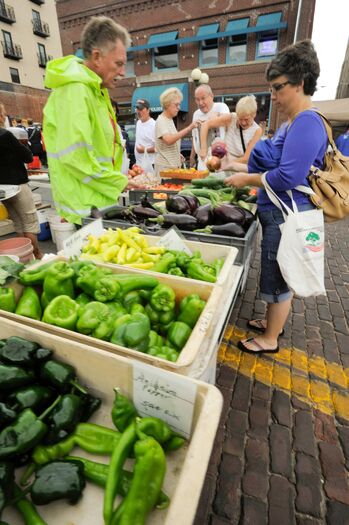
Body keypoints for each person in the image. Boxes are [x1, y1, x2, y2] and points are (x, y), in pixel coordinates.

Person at [223, 40, 328, 355]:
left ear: (299, 83)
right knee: (278, 267)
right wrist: (235, 165)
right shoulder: (294, 122)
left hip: (286, 213)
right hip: (279, 212)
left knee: (278, 271)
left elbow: (288, 177)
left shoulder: (307, 122)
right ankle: (273, 324)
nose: (274, 96)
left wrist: (246, 177)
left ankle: (270, 339)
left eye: (279, 87)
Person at [43, 16, 130, 225]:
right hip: (83, 213)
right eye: (118, 64)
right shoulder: (76, 91)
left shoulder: (95, 90)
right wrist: (121, 182)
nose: (122, 72)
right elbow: (76, 157)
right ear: (97, 56)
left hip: (96, 206)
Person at [0, 104, 43, 259]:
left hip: (2, 189)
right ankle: (36, 255)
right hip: (17, 184)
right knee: (29, 222)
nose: (4, 116)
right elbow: (27, 157)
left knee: (18, 223)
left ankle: (25, 257)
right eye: (3, 113)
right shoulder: (5, 135)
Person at [199, 95, 263, 166]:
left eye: (246, 119)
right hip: (225, 161)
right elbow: (205, 125)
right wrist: (203, 148)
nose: (243, 123)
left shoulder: (257, 130)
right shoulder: (232, 118)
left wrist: (225, 164)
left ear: (254, 114)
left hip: (239, 167)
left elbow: (246, 159)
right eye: (240, 119)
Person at [154, 87, 198, 178]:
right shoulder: (161, 120)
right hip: (164, 169)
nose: (179, 107)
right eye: (176, 105)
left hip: (171, 167)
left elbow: (168, 144)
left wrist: (177, 154)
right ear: (167, 104)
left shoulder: (169, 120)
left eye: (179, 104)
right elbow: (169, 140)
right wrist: (189, 128)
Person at [190, 85, 230, 170]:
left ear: (211, 96)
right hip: (201, 160)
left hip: (219, 159)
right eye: (197, 99)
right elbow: (195, 137)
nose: (200, 103)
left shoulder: (221, 107)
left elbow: (228, 121)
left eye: (203, 98)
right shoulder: (196, 114)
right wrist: (192, 156)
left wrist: (218, 115)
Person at [134, 98, 156, 170]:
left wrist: (144, 150)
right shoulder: (138, 123)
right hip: (138, 165)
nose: (138, 111)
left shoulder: (154, 125)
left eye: (141, 109)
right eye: (137, 109)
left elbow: (159, 148)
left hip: (150, 165)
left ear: (148, 110)